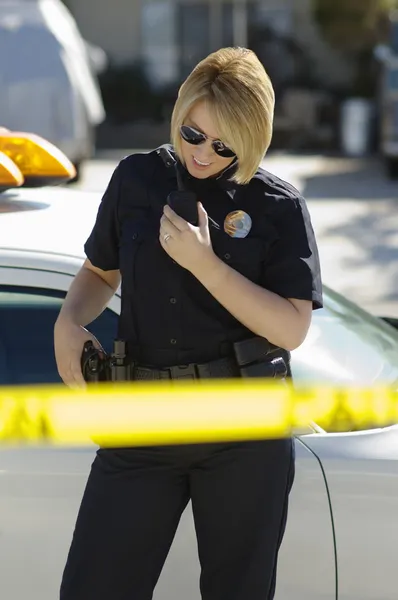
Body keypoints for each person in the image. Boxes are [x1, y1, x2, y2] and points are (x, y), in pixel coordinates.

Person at [54, 47, 323, 600]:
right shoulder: (136, 179)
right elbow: (97, 272)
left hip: (244, 433)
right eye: (193, 134)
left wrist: (207, 265)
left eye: (225, 145)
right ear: (180, 113)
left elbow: (292, 328)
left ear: (253, 139)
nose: (203, 154)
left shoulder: (278, 205)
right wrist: (69, 322)